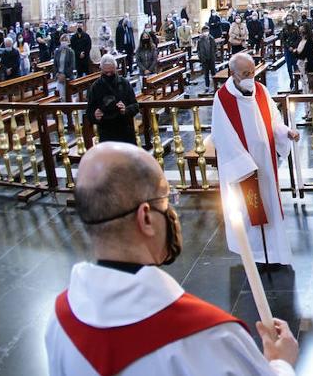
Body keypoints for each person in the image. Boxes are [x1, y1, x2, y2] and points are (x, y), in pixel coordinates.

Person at [45, 142, 299, 375]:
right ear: (145, 218)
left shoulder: (59, 324)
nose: (172, 212)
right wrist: (281, 363)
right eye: (167, 199)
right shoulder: (208, 336)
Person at [210, 52, 300, 266]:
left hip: (266, 163)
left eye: (252, 72)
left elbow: (273, 119)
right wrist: (245, 166)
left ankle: (274, 254)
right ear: (233, 74)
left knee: (269, 205)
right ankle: (257, 257)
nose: (251, 76)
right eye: (245, 73)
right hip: (245, 168)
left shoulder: (261, 90)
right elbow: (221, 136)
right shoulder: (222, 98)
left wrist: (286, 131)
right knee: (249, 210)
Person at [85, 55, 141, 144]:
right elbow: (89, 112)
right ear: (101, 70)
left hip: (125, 130)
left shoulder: (124, 83)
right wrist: (95, 115)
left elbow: (135, 106)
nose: (109, 75)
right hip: (106, 132)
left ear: (115, 68)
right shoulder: (95, 87)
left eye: (111, 72)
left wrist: (125, 110)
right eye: (106, 72)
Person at [54, 34, 76, 100]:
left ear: (68, 42)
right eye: (62, 40)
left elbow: (72, 66)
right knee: (60, 95)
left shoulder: (71, 52)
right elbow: (55, 65)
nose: (64, 41)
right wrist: (57, 74)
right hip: (59, 76)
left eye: (65, 40)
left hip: (67, 77)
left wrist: (64, 75)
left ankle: (69, 109)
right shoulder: (57, 51)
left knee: (68, 96)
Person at [279, 17, 300, 86]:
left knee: (295, 64)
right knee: (289, 65)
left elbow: (298, 38)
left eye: (290, 18)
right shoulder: (284, 28)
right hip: (287, 50)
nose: (289, 20)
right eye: (288, 19)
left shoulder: (296, 28)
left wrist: (294, 46)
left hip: (295, 49)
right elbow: (283, 40)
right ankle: (291, 79)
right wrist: (288, 47)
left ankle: (296, 79)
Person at [196, 26, 216, 92]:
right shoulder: (200, 40)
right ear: (202, 32)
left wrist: (214, 55)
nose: (205, 33)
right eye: (204, 32)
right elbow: (198, 49)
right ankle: (207, 86)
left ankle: (215, 84)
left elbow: (215, 47)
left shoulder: (211, 38)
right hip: (204, 59)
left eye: (206, 31)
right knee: (206, 73)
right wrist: (200, 57)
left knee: (213, 72)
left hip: (211, 58)